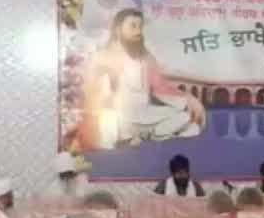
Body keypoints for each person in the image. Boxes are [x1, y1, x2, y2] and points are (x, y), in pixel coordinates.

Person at [78, 8, 205, 149]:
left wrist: (189, 99)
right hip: (118, 117)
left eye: (140, 27)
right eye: (133, 26)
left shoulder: (146, 57)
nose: (138, 31)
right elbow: (90, 93)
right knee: (109, 122)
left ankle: (149, 133)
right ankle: (137, 134)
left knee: (184, 117)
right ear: (118, 29)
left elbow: (161, 88)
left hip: (146, 112)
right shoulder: (102, 57)